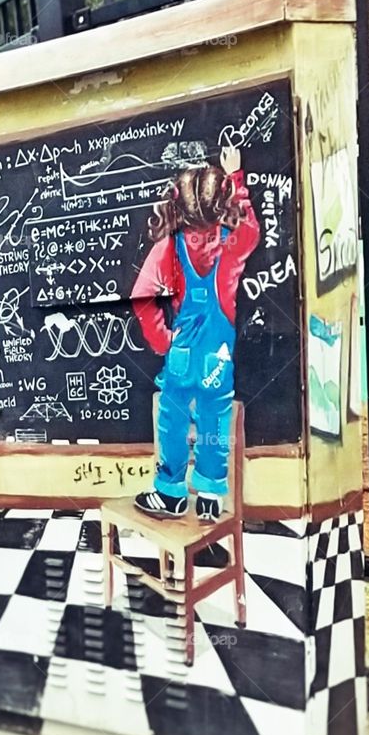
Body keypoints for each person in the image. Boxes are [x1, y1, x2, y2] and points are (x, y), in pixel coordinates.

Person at [131, 147, 259, 522]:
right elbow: (251, 230)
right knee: (214, 419)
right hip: (219, 354)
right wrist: (238, 179)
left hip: (181, 352)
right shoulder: (231, 245)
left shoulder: (169, 248)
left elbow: (142, 297)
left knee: (171, 416)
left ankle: (170, 493)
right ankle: (209, 494)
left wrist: (162, 340)